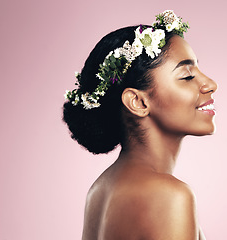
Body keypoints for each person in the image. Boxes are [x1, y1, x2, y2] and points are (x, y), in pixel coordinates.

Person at [63, 10, 217, 240]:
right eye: (186, 76)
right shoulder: (169, 195)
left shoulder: (100, 190)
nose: (210, 84)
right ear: (138, 101)